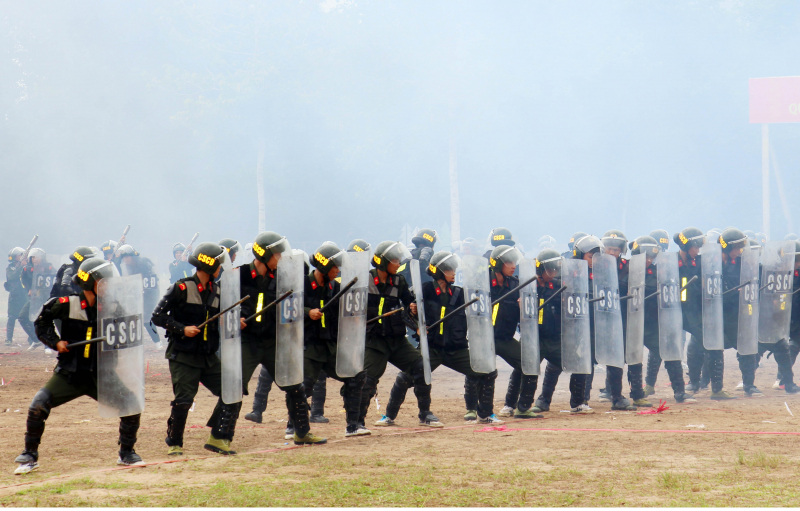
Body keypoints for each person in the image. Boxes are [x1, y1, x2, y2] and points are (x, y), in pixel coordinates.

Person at [14, 258, 144, 475]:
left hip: (102, 375)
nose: (110, 285)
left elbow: (128, 332)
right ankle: (29, 456)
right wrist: (55, 342)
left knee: (131, 404)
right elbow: (41, 322)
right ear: (93, 283)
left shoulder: (113, 307)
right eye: (106, 281)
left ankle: (127, 453)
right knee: (38, 405)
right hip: (69, 373)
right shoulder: (67, 304)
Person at [377, 251, 504, 426]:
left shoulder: (460, 294)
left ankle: (485, 413)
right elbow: (405, 313)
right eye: (450, 269)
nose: (454, 273)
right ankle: (389, 416)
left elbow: (477, 314)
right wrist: (415, 322)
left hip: (456, 349)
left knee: (488, 371)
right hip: (432, 349)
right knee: (405, 378)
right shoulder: (424, 291)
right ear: (439, 271)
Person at [233, 232, 327, 445]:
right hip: (247, 341)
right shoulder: (240, 275)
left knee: (295, 385)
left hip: (272, 340)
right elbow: (223, 303)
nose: (280, 258)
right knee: (235, 386)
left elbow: (290, 305)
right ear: (265, 255)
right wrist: (234, 317)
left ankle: (301, 433)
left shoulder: (281, 278)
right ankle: (220, 436)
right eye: (277, 254)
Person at [151, 242, 242, 455]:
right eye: (218, 264)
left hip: (208, 356)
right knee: (183, 401)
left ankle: (218, 438)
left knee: (232, 391)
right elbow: (157, 316)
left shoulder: (218, 291)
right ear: (210, 266)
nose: (220, 268)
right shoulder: (181, 288)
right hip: (183, 355)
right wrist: (182, 329)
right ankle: (174, 443)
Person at [360, 241, 440, 428]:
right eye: (395, 260)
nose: (398, 264)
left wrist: (413, 309)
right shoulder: (365, 280)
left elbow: (409, 304)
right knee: (366, 381)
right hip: (374, 341)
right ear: (383, 262)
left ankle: (425, 413)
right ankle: (357, 422)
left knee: (421, 366)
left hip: (397, 340)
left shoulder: (399, 280)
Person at [296, 242, 369, 437]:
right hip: (309, 345)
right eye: (335, 267)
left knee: (355, 375)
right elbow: (288, 309)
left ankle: (353, 425)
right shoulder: (301, 284)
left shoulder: (336, 288)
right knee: (303, 386)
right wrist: (307, 312)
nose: (338, 271)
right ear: (325, 266)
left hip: (330, 345)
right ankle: (293, 426)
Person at [628, 236, 696, 404]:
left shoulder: (659, 272)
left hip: (652, 323)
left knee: (670, 353)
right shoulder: (624, 271)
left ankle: (680, 392)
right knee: (630, 358)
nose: (649, 260)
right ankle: (630, 394)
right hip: (630, 323)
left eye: (651, 257)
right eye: (645, 256)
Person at [532, 248, 594, 414]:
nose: (554, 271)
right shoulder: (530, 285)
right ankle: (519, 403)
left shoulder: (560, 284)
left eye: (556, 268)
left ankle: (577, 402)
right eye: (550, 268)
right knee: (524, 368)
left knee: (576, 364)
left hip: (557, 335)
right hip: (536, 337)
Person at [118, 245, 163, 349]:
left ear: (132, 256)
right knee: (133, 316)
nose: (125, 260)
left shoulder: (143, 264)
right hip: (139, 293)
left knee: (146, 318)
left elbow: (148, 282)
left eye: (127, 257)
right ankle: (133, 343)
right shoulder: (130, 266)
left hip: (150, 294)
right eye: (123, 258)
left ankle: (158, 343)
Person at [5, 248, 27, 346]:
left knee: (27, 317)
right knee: (11, 317)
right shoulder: (10, 268)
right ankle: (8, 339)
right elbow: (12, 276)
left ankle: (32, 339)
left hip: (25, 295)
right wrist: (21, 266)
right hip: (14, 296)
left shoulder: (26, 266)